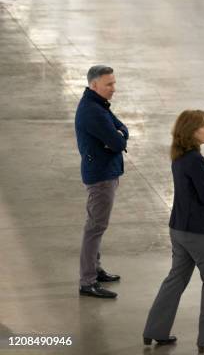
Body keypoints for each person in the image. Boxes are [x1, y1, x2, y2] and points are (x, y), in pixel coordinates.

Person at [143, 110, 204, 352]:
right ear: (192, 132)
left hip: (179, 228)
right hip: (201, 232)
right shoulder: (195, 159)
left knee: (175, 279)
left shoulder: (179, 157)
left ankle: (155, 331)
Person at [75, 65, 128, 299]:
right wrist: (116, 139)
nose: (113, 88)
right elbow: (117, 143)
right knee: (95, 227)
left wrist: (118, 136)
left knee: (96, 225)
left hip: (106, 171)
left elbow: (122, 130)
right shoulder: (93, 111)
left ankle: (95, 270)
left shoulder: (98, 105)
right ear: (94, 85)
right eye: (109, 84)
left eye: (114, 83)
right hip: (101, 176)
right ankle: (87, 281)